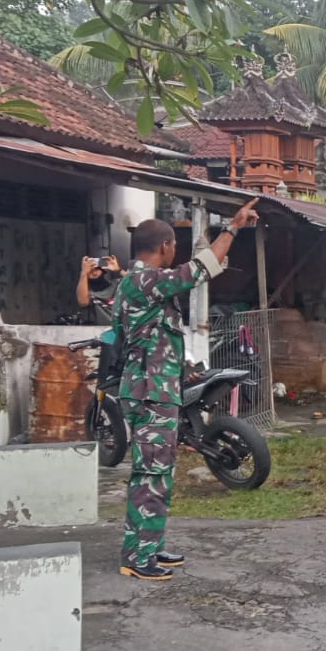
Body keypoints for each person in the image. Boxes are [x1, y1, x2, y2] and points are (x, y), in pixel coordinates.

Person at [115, 202, 258, 580]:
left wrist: (185, 370)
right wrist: (233, 228)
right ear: (164, 246)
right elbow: (200, 270)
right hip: (150, 393)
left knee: (156, 471)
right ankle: (138, 559)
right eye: (173, 246)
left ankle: (147, 546)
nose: (174, 252)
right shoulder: (144, 280)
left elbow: (154, 342)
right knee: (151, 472)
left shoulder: (142, 285)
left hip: (156, 389)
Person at [75, 253, 122, 321]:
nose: (94, 273)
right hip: (102, 330)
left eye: (96, 269)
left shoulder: (118, 284)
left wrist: (119, 270)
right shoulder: (89, 294)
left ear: (103, 270)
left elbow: (138, 285)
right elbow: (83, 302)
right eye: (90, 271)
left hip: (123, 329)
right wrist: (84, 273)